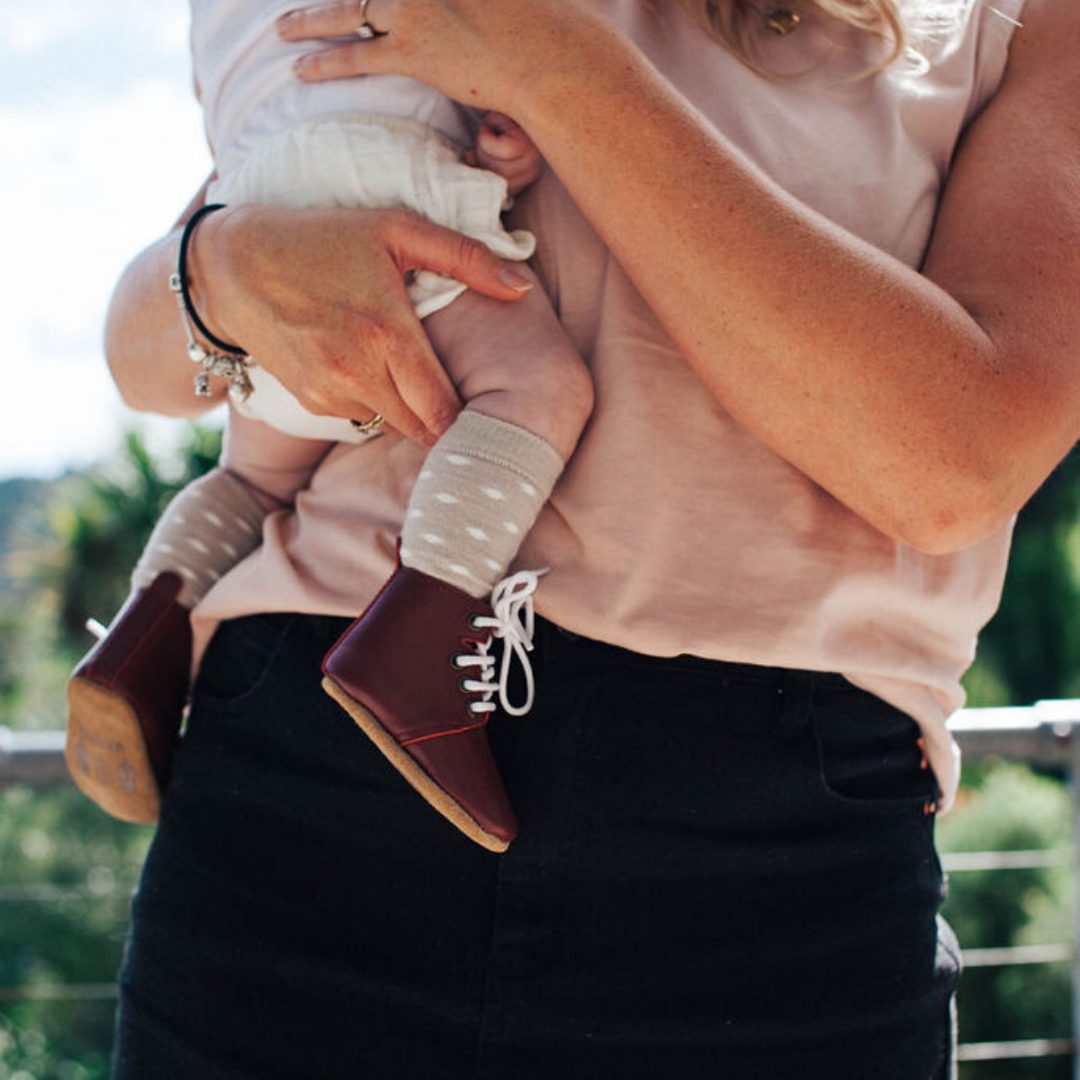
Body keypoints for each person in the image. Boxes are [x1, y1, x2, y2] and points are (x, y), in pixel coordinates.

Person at [103, 0, 1080, 1075]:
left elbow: (956, 466)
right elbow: (144, 344)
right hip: (294, 794)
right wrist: (223, 272)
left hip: (772, 878)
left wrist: (557, 63)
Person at [65, 0, 595, 851]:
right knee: (538, 387)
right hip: (386, 172)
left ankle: (144, 635)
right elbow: (473, 64)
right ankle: (418, 640)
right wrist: (508, 147)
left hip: (248, 209)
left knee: (252, 479)